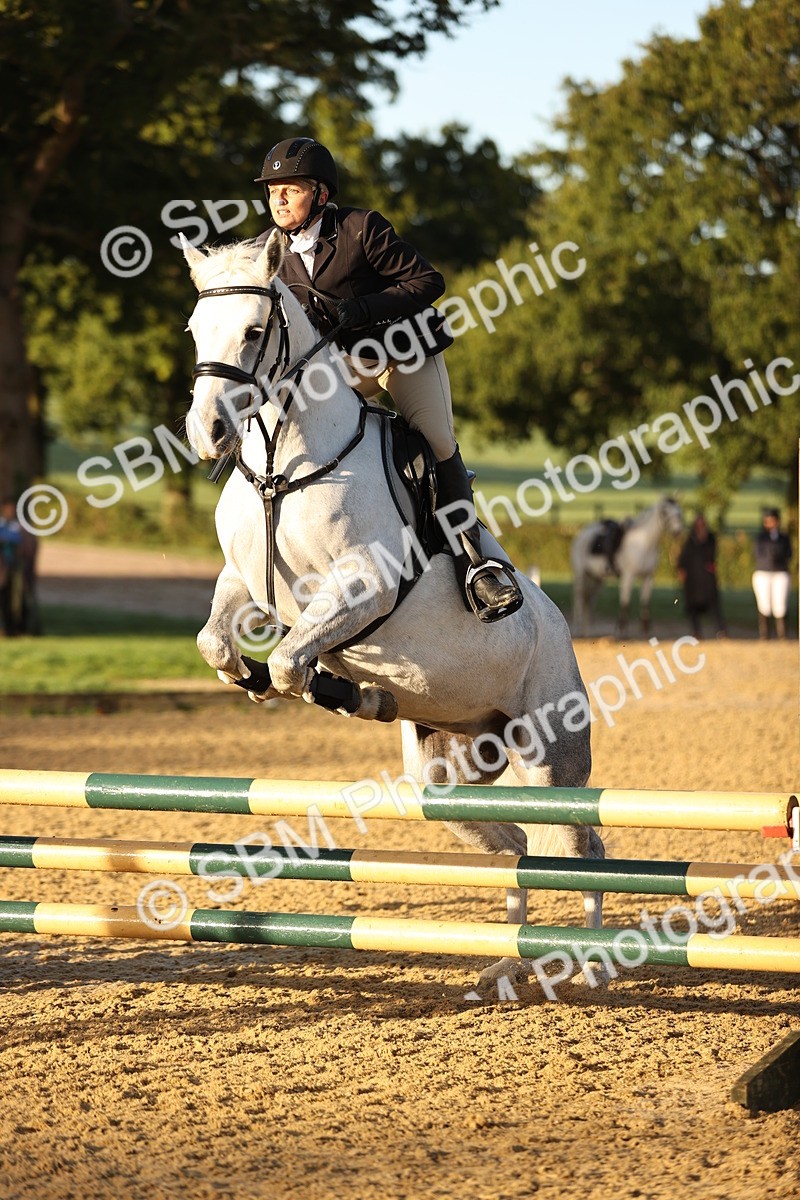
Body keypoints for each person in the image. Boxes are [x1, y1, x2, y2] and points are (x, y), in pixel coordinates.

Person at [254, 136, 522, 623]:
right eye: (272, 192)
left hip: (401, 351)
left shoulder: (361, 228)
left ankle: (475, 563)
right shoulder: (274, 256)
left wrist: (359, 309)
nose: (278, 200)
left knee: (437, 441)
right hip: (344, 368)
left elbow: (428, 282)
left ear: (320, 193)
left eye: (289, 190)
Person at [676, 514, 727, 639]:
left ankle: (721, 631)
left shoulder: (710, 538)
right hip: (692, 579)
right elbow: (683, 557)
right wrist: (681, 570)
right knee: (693, 607)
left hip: (706, 578)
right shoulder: (690, 540)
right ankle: (696, 632)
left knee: (714, 606)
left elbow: (711, 555)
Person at [752, 508, 792, 639]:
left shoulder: (783, 538)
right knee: (764, 604)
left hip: (779, 572)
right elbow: (759, 554)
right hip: (764, 572)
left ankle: (782, 633)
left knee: (779, 604)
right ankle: (765, 634)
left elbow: (788, 554)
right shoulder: (760, 538)